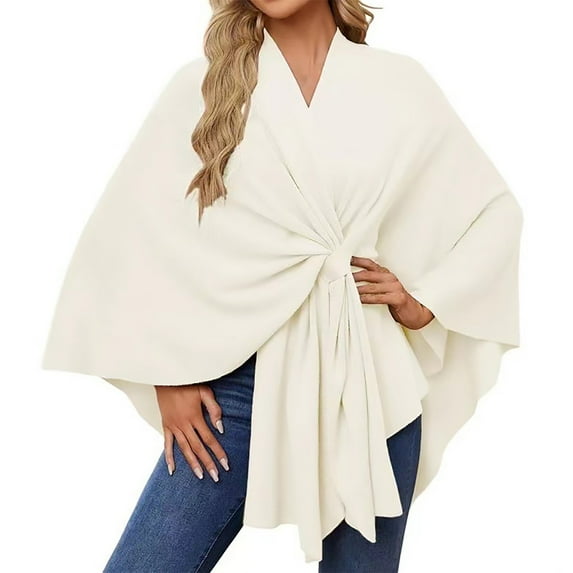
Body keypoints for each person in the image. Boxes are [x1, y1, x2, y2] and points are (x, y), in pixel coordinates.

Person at [41, 0, 523, 571]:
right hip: (235, 384)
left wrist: (425, 302)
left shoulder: (399, 84)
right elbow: (132, 233)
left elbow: (494, 212)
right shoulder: (205, 86)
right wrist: (164, 370)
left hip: (370, 380)